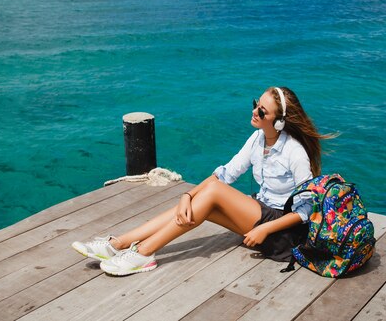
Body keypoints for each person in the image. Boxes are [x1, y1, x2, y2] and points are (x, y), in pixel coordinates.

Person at [72, 86, 332, 276]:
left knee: (213, 193)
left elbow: (307, 210)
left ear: (279, 122)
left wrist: (264, 229)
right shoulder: (257, 140)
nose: (254, 111)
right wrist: (187, 196)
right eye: (255, 103)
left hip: (282, 233)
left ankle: (143, 253)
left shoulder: (294, 152)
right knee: (201, 200)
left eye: (262, 111)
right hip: (261, 217)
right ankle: (118, 244)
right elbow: (225, 174)